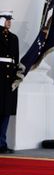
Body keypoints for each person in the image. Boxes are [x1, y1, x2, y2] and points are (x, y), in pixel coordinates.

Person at [0, 11, 19, 154]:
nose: (9, 21)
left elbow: (15, 60)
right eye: (6, 19)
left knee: (6, 112)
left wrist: (15, 79)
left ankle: (2, 143)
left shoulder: (14, 38)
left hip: (8, 81)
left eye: (10, 19)